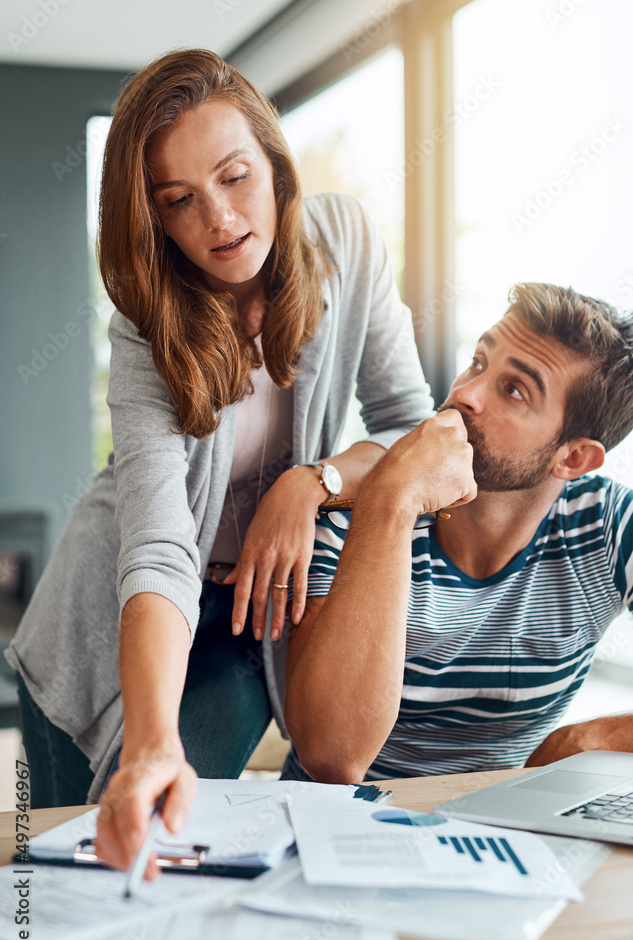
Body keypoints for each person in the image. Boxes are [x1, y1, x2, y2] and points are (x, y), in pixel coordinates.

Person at [5, 49, 433, 875]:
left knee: (177, 843)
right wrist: (150, 743)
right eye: (179, 201)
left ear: (273, 163)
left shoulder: (344, 241)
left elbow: (410, 427)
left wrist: (312, 485)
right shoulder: (146, 318)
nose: (219, 219)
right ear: (155, 218)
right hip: (102, 624)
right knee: (76, 867)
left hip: (246, 618)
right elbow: (160, 542)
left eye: (235, 177)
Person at [282, 282, 633, 784]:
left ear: (573, 457)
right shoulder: (354, 506)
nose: (464, 394)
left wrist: (591, 739)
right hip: (338, 829)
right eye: (478, 362)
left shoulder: (609, 526)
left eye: (513, 389)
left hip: (499, 831)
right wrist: (393, 499)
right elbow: (332, 755)